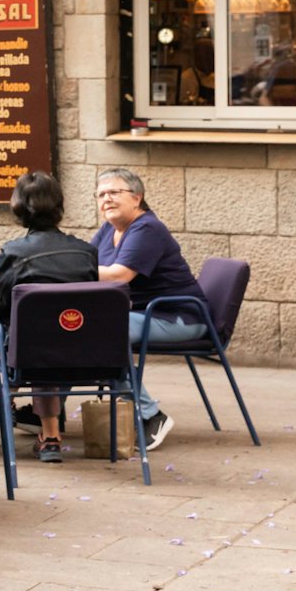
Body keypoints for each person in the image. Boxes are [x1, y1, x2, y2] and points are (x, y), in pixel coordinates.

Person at [91, 167, 206, 451]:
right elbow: (83, 261)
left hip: (177, 317)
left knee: (100, 335)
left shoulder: (147, 228)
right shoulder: (108, 229)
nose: (107, 199)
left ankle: (151, 414)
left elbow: (118, 276)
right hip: (138, 314)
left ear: (137, 197)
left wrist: (68, 269)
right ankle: (48, 414)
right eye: (101, 194)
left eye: (115, 192)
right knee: (80, 329)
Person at [0, 172, 98, 463]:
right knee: (46, 333)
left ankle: (0, 400)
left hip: (31, 357)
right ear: (59, 206)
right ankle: (50, 436)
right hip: (89, 355)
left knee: (27, 337)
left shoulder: (13, 252)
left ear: (19, 208)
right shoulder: (86, 252)